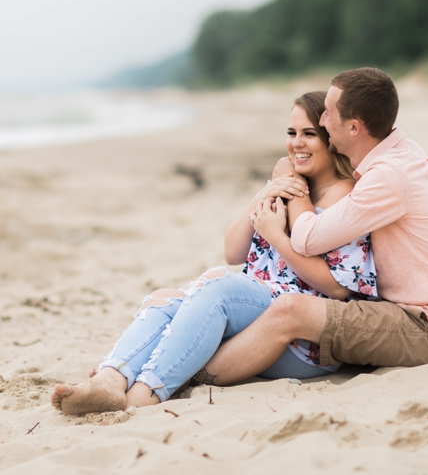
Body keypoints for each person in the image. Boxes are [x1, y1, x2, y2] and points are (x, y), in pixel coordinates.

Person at [51, 91, 377, 416]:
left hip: (305, 343)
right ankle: (109, 381)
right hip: (257, 310)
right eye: (292, 133)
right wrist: (265, 192)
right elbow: (233, 251)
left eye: (309, 134)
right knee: (163, 299)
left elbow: (336, 288)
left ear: (330, 138)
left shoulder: (344, 196)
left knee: (220, 287)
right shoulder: (286, 183)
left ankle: (142, 396)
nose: (297, 144)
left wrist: (276, 236)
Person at [197, 67, 428, 386]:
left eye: (328, 113)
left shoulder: (388, 178)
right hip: (415, 313)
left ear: (354, 127)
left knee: (290, 310)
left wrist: (293, 183)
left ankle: (190, 372)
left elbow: (306, 238)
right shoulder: (394, 158)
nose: (321, 121)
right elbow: (234, 251)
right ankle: (183, 356)